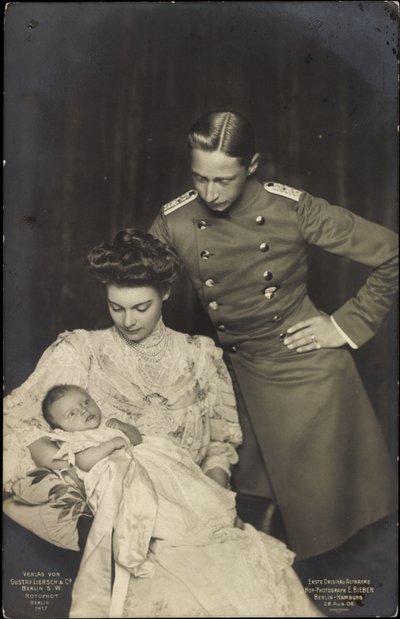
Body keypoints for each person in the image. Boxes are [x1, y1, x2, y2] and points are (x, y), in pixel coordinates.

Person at [3, 229, 322, 618]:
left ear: (165, 294)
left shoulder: (200, 356)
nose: (128, 321)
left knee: (246, 580)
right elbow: (17, 420)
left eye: (141, 307)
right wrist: (61, 463)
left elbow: (220, 444)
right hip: (121, 508)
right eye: (116, 307)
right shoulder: (81, 350)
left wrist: (211, 501)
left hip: (191, 503)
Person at [149, 109, 398, 563]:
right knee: (241, 524)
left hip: (307, 373)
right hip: (235, 373)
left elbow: (392, 254)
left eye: (224, 179)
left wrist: (343, 325)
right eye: (200, 177)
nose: (211, 192)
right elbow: (141, 284)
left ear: (253, 165)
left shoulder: (293, 208)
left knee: (333, 538)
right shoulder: (175, 221)